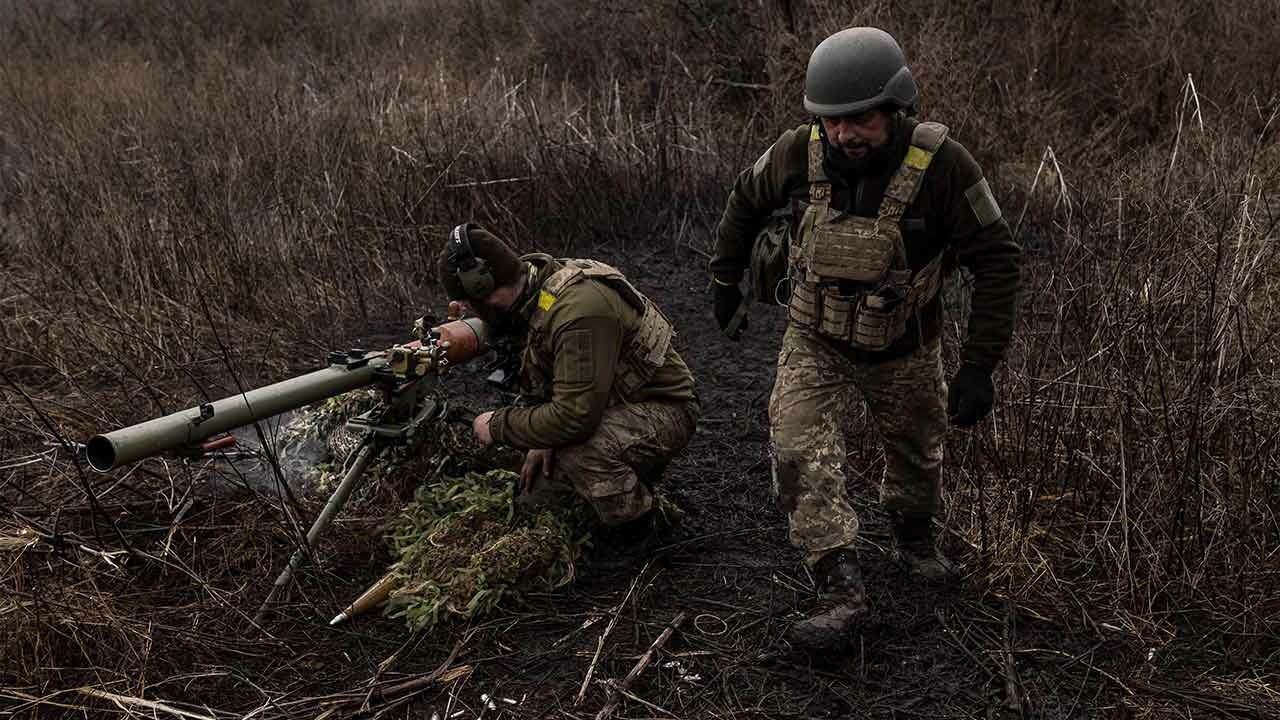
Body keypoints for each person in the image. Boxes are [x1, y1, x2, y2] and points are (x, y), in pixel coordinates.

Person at [709, 27, 1022, 650]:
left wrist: (979, 364)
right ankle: (837, 588)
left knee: (916, 453)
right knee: (797, 452)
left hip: (906, 346)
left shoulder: (944, 166)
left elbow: (998, 259)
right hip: (814, 340)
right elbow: (744, 199)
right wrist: (725, 276)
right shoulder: (799, 152)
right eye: (832, 122)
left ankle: (914, 540)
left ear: (895, 107)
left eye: (860, 120)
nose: (844, 134)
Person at [439, 223, 700, 563]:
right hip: (611, 401)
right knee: (537, 497)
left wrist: (499, 425)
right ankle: (623, 484)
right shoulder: (533, 296)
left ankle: (639, 531)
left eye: (474, 303)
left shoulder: (577, 309)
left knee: (582, 453)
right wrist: (539, 439)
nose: (476, 313)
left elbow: (575, 418)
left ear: (485, 286)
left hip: (663, 408)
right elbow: (547, 376)